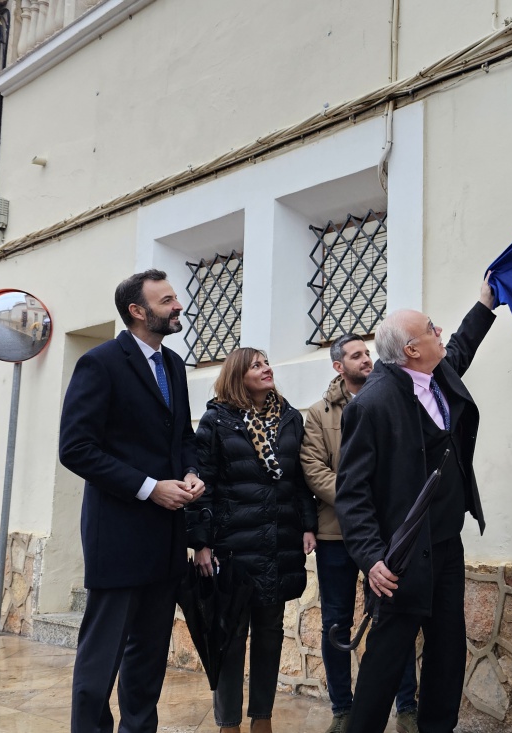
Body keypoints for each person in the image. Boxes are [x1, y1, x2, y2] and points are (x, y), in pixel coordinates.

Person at [335, 276, 498, 733]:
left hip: (446, 546)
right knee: (385, 663)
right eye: (430, 328)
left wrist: (484, 304)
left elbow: (460, 348)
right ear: (410, 349)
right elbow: (352, 494)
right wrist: (371, 558)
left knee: (448, 653)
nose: (438, 331)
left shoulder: (437, 372)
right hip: (400, 558)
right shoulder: (371, 405)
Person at [59, 269, 205, 733]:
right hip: (118, 535)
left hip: (166, 540)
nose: (177, 305)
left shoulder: (176, 365)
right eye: (166, 301)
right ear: (137, 312)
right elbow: (76, 449)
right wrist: (149, 486)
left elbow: (183, 435)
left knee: (148, 661)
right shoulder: (99, 363)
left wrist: (191, 473)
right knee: (101, 660)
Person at [188, 347, 318, 733]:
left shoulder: (291, 418)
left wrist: (307, 525)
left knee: (269, 635)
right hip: (232, 546)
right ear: (237, 375)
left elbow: (299, 481)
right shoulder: (216, 421)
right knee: (229, 638)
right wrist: (201, 543)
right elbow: (201, 485)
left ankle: (263, 718)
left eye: (266, 363)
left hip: (279, 542)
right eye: (256, 365)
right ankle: (229, 723)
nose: (266, 369)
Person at [301, 334, 420, 733]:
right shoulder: (318, 414)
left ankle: (407, 706)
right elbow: (314, 470)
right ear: (338, 366)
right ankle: (342, 708)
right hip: (336, 536)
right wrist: (360, 496)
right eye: (356, 355)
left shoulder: (390, 399)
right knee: (337, 623)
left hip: (383, 537)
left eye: (367, 353)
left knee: (391, 617)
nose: (366, 359)